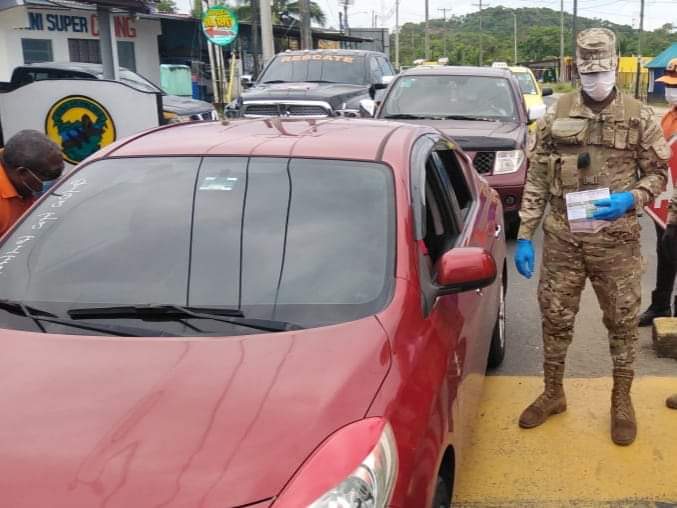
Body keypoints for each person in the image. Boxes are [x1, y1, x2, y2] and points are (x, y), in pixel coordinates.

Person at [514, 28, 670, 446]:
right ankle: (553, 392)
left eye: (602, 71)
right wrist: (525, 234)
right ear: (577, 69)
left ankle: (622, 400)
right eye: (587, 73)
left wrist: (631, 198)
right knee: (555, 317)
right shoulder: (555, 113)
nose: (595, 80)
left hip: (615, 240)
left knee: (621, 322)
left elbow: (659, 173)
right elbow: (537, 176)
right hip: (563, 239)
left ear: (614, 66)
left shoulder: (638, 115)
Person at [638, 58, 677, 326]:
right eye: (668, 84)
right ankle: (660, 305)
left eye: (674, 85)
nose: (670, 90)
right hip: (664, 200)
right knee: (665, 251)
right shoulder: (668, 115)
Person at [0, 130, 64, 236]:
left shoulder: (16, 159)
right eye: (50, 175)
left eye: (60, 171)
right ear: (22, 173)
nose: (57, 181)